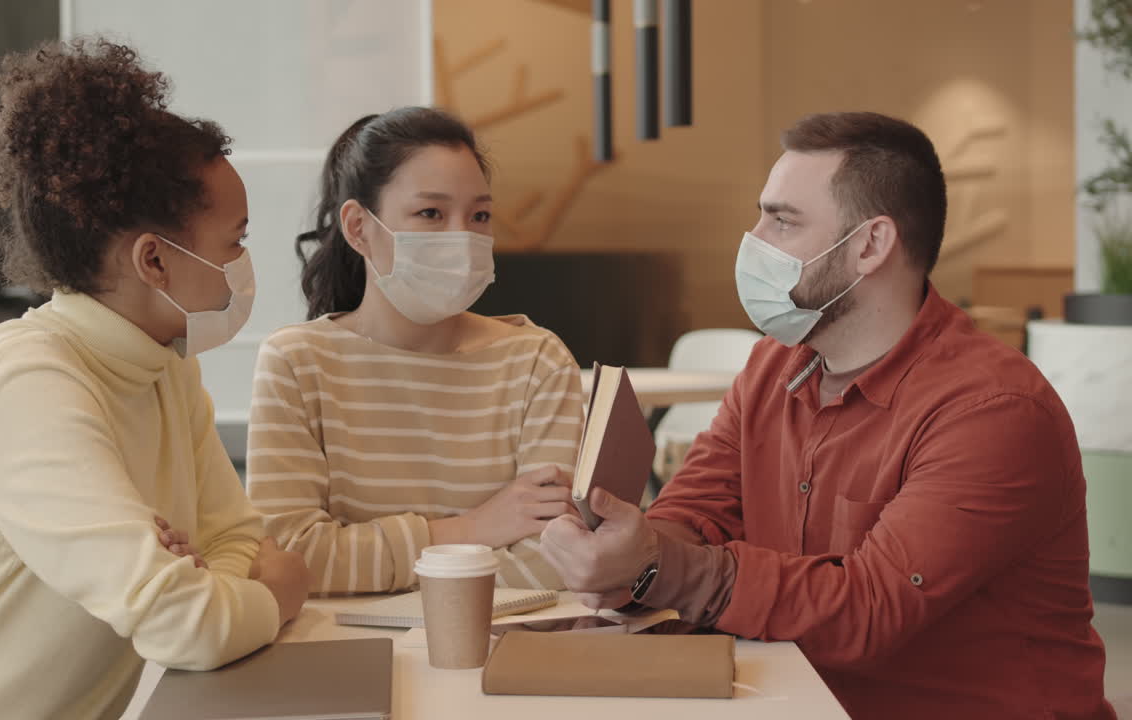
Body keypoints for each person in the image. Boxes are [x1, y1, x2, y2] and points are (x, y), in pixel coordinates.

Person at [539, 111, 1116, 719]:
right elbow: (698, 514)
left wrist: (656, 563)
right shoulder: (773, 367)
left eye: (782, 220)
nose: (753, 239)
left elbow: (868, 611)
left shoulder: (992, 411)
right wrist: (627, 562)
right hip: (793, 701)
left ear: (870, 244)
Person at [0, 38, 309, 720]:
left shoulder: (167, 364)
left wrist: (204, 578)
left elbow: (237, 541)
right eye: (235, 241)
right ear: (154, 260)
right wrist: (271, 595)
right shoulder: (28, 376)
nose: (244, 261)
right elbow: (189, 622)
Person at [246, 107, 584, 594]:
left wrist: (373, 568)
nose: (461, 236)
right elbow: (292, 558)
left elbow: (556, 560)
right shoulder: (296, 364)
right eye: (430, 213)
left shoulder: (536, 361)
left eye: (480, 215)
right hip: (340, 653)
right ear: (359, 227)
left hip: (496, 652)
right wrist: (472, 530)